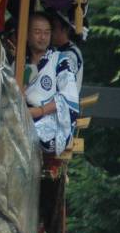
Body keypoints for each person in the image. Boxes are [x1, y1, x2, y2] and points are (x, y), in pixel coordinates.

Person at [23, 13, 79, 155]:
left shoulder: (61, 61)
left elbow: (69, 97)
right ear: (27, 34)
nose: (43, 37)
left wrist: (39, 111)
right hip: (22, 115)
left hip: (48, 120)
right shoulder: (19, 61)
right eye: (37, 32)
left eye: (46, 33)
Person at [49, 9, 84, 96]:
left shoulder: (70, 55)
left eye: (53, 28)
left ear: (65, 29)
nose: (49, 32)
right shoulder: (59, 50)